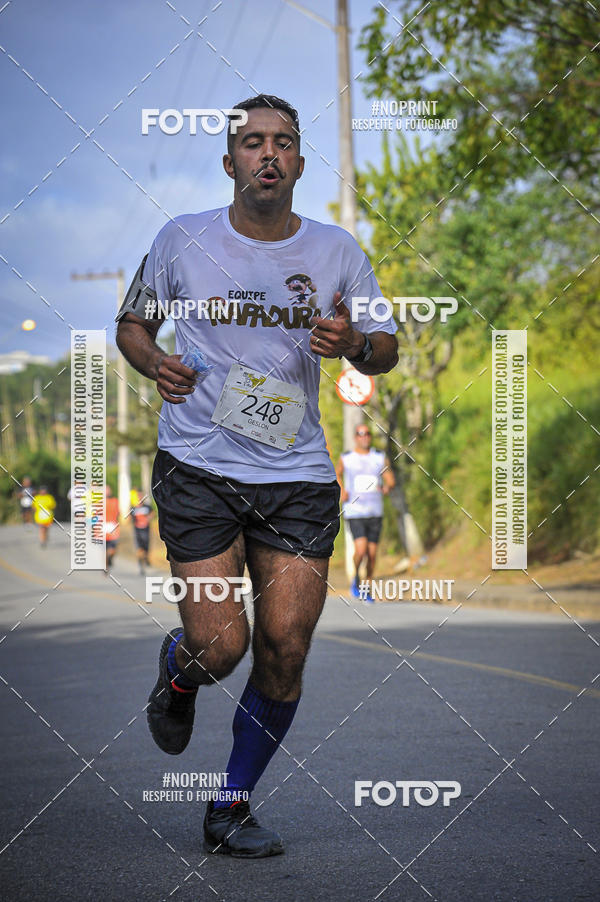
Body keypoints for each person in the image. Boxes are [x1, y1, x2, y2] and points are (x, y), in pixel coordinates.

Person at [115, 93, 398, 857]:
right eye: (251, 142)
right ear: (230, 161)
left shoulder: (339, 250)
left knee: (286, 647)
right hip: (200, 465)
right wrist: (154, 362)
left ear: (300, 162)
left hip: (297, 474)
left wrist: (353, 347)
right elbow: (133, 323)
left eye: (282, 142)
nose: (267, 153)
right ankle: (178, 676)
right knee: (220, 646)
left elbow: (385, 345)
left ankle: (230, 806)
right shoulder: (182, 240)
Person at [336, 426, 395, 603]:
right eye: (361, 434)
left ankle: (366, 588)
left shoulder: (378, 457)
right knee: (360, 550)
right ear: (356, 437)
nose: (365, 437)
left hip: (375, 510)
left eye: (367, 434)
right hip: (355, 511)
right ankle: (355, 578)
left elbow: (390, 478)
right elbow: (336, 474)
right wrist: (341, 490)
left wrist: (387, 487)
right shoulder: (347, 458)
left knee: (372, 554)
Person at [130, 490, 153, 574]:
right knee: (139, 549)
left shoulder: (147, 507)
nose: (140, 497)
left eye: (141, 496)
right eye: (138, 496)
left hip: (146, 531)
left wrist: (148, 518)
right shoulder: (133, 508)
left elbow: (152, 513)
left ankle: (146, 558)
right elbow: (130, 518)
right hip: (137, 531)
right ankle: (141, 567)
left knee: (146, 548)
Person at [104, 485, 120, 572]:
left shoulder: (115, 501)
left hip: (112, 526)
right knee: (107, 547)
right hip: (104, 526)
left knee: (112, 547)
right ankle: (106, 565)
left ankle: (109, 559)